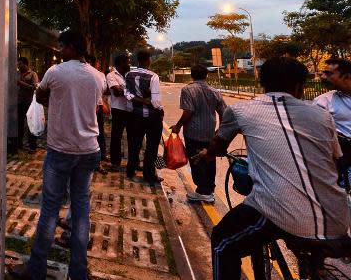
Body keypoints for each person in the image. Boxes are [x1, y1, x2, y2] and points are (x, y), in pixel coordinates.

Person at [193, 57, 351, 280]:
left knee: (222, 241)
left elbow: (217, 147)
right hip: (337, 218)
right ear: (299, 86)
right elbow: (334, 158)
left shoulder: (242, 111)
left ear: (261, 83)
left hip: (280, 212)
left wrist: (206, 155)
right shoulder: (323, 116)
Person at [11, 30, 104, 280]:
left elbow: (40, 96)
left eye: (62, 46)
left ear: (72, 47)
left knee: (50, 210)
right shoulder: (99, 77)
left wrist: (59, 100)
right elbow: (95, 106)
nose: (59, 51)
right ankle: (79, 272)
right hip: (89, 150)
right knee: (81, 211)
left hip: (61, 149)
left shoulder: (56, 72)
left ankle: (36, 269)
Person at [170, 64, 226, 202]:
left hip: (193, 133)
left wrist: (178, 126)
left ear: (192, 75)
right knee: (209, 160)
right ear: (206, 75)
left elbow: (188, 112)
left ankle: (203, 192)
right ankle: (208, 189)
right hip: (210, 133)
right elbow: (224, 112)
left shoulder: (188, 90)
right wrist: (220, 129)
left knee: (196, 161)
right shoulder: (215, 91)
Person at [124, 49, 164, 185]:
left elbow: (126, 93)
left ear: (138, 60)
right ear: (148, 60)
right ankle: (148, 174)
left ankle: (130, 169)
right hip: (152, 117)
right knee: (151, 146)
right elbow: (156, 100)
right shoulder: (153, 76)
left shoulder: (128, 74)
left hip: (134, 115)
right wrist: (160, 110)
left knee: (134, 143)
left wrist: (137, 100)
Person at [314, 57, 351, 186]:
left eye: (328, 73)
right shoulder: (323, 102)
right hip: (343, 164)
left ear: (347, 76)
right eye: (322, 73)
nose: (323, 77)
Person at [107, 54, 132, 171]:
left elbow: (122, 90)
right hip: (118, 110)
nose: (129, 64)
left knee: (133, 137)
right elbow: (117, 92)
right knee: (116, 136)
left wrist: (125, 90)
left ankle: (133, 162)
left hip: (131, 109)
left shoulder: (130, 75)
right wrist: (132, 92)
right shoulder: (111, 75)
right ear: (121, 63)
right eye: (128, 62)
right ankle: (115, 163)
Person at [17, 57, 40, 151]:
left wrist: (21, 83)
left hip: (29, 102)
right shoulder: (18, 74)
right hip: (19, 102)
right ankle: (19, 144)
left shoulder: (33, 74)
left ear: (26, 64)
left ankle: (32, 145)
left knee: (31, 124)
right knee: (19, 124)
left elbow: (35, 87)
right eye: (18, 64)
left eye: (20, 64)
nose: (18, 66)